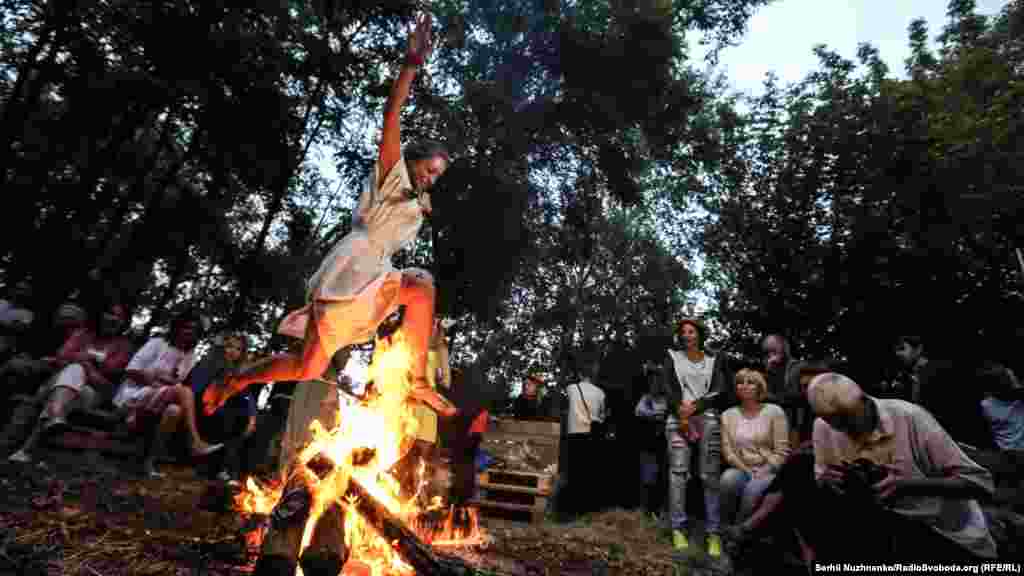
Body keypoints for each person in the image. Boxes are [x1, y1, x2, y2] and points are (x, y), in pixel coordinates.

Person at [202, 13, 455, 422]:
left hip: (375, 270)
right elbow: (391, 116)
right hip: (354, 266)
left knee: (308, 367)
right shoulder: (392, 173)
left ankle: (238, 379)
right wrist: (411, 65)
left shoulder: (413, 198)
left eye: (437, 175)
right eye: (429, 167)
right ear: (412, 159)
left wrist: (418, 203)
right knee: (421, 285)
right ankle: (413, 376)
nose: (432, 177)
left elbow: (407, 212)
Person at [802, 372, 998, 562]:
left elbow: (981, 484)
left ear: (864, 400)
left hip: (942, 532)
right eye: (838, 425)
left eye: (851, 421)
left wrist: (909, 485)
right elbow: (822, 479)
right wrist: (828, 481)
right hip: (881, 530)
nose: (849, 432)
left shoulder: (910, 417)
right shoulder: (823, 426)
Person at [8, 301, 135, 463]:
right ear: (101, 315)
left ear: (124, 322)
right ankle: (35, 440)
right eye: (110, 313)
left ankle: (48, 423)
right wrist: (88, 366)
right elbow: (62, 356)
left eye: (119, 316)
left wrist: (83, 364)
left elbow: (109, 378)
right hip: (54, 384)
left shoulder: (123, 346)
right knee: (72, 375)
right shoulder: (83, 334)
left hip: (90, 394)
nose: (113, 319)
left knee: (71, 382)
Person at [112, 310, 222, 477]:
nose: (188, 332)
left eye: (193, 330)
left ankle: (149, 462)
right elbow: (131, 371)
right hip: (134, 394)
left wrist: (167, 383)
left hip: (159, 399)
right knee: (183, 391)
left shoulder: (190, 356)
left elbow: (178, 383)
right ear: (176, 328)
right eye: (185, 327)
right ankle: (195, 441)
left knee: (175, 411)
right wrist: (154, 380)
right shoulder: (157, 343)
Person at [662, 317, 733, 556]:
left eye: (691, 331)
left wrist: (697, 406)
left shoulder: (715, 359)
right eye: (683, 332)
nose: (687, 335)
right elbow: (667, 387)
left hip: (707, 417)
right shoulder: (673, 357)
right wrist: (680, 410)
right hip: (677, 417)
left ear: (699, 334)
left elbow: (721, 389)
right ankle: (678, 528)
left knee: (709, 474)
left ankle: (714, 533)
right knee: (678, 473)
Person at [719, 369, 789, 528]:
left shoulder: (774, 411)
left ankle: (738, 532)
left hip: (769, 468)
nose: (744, 386)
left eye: (750, 382)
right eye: (740, 382)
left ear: (759, 387)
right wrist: (747, 470)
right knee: (727, 480)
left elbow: (782, 451)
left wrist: (766, 469)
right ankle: (723, 526)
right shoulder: (727, 415)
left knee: (753, 490)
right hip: (741, 467)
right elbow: (728, 452)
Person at [190, 333, 256, 482]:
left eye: (238, 349)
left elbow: (247, 396)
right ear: (221, 347)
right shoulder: (208, 363)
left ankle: (230, 471)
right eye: (229, 346)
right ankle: (216, 468)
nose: (233, 351)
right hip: (202, 408)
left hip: (224, 412)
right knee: (228, 416)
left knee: (241, 418)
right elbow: (196, 390)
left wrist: (252, 417)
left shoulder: (238, 372)